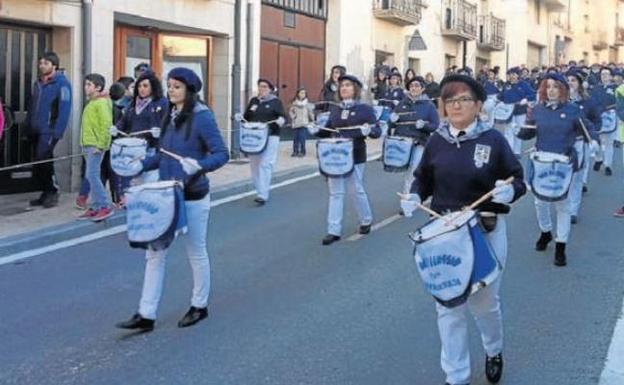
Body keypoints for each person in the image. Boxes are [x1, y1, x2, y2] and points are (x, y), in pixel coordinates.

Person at [400, 74, 526, 385]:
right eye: (449, 100)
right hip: (445, 233)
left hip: (485, 230)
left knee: (485, 304)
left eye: (463, 99)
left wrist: (509, 191)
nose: (456, 105)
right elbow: (422, 178)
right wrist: (415, 193)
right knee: (448, 307)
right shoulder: (437, 140)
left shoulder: (493, 140)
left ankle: (493, 350)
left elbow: (517, 178)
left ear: (478, 105)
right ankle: (456, 377)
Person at [116, 67, 229, 331]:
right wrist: (141, 164)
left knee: (196, 251)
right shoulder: (168, 112)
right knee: (154, 253)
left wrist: (198, 165)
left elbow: (221, 153)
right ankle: (146, 313)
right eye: (169, 85)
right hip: (166, 193)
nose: (171, 90)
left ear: (189, 90)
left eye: (177, 86)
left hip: (193, 194)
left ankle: (199, 305)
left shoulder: (203, 117)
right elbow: (163, 154)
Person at [522, 73, 596, 266]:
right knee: (540, 202)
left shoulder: (573, 110)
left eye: (555, 87)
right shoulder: (538, 109)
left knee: (562, 205)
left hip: (563, 163)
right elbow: (526, 133)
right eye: (548, 87)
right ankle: (546, 232)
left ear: (563, 89)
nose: (551, 90)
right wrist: (526, 121)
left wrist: (594, 142)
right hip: (541, 163)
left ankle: (561, 245)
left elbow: (588, 129)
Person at [308, 74, 378, 245]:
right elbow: (328, 130)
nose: (344, 88)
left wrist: (368, 131)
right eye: (342, 86)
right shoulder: (336, 110)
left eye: (348, 85)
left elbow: (377, 132)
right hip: (336, 155)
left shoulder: (365, 110)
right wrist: (315, 130)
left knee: (356, 190)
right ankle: (333, 230)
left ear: (355, 89)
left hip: (355, 155)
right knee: (336, 193)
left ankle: (366, 219)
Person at [25, 51, 73, 208]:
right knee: (39, 164)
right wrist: (28, 125)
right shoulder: (37, 83)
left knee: (44, 161)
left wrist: (57, 132)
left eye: (45, 63)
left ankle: (52, 192)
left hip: (49, 131)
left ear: (54, 65)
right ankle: (45, 192)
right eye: (40, 63)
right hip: (35, 130)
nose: (42, 66)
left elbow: (64, 110)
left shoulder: (62, 84)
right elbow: (31, 106)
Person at [110, 71, 169, 192]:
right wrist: (116, 128)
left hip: (151, 148)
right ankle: (127, 201)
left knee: (147, 181)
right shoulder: (133, 103)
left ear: (153, 86)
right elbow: (124, 120)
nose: (142, 89)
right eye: (139, 86)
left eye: (145, 86)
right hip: (133, 148)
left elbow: (169, 124)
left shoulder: (162, 103)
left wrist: (160, 131)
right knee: (129, 178)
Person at [390, 75, 439, 196]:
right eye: (411, 86)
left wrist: (424, 126)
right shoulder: (402, 104)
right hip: (402, 143)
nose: (413, 88)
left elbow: (435, 125)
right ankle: (418, 190)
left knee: (413, 170)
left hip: (419, 142)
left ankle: (407, 199)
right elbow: (391, 125)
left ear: (422, 89)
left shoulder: (429, 106)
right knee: (408, 170)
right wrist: (392, 120)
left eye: (417, 86)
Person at [242, 79, 287, 205]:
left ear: (270, 89)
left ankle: (263, 194)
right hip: (254, 136)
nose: (261, 89)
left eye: (265, 87)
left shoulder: (275, 102)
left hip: (271, 135)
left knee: (266, 164)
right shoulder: (254, 101)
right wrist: (240, 118)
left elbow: (283, 116)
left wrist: (281, 120)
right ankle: (260, 190)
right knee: (254, 165)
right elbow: (246, 116)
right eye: (260, 86)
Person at [76, 74, 114, 221]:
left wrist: (102, 145)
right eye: (85, 84)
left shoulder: (101, 103)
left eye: (89, 85)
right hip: (88, 143)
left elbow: (106, 125)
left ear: (98, 87)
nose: (86, 87)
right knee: (90, 175)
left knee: (92, 175)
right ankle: (96, 206)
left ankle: (104, 205)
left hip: (95, 145)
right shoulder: (92, 103)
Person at [567, 71, 601, 223]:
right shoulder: (560, 101)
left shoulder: (589, 101)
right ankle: (564, 205)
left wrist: (593, 138)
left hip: (581, 142)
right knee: (564, 177)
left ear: (579, 83)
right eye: (567, 80)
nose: (570, 83)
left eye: (573, 80)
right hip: (563, 144)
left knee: (577, 177)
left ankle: (572, 210)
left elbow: (596, 121)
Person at [497, 67, 534, 157]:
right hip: (508, 111)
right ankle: (509, 151)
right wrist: (498, 100)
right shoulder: (506, 85)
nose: (512, 76)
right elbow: (501, 96)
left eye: (514, 74)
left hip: (520, 110)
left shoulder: (524, 84)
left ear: (518, 75)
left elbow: (533, 94)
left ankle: (516, 152)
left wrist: (526, 99)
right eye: (510, 74)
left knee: (518, 130)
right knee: (508, 131)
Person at [591, 67, 618, 176]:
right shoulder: (596, 88)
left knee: (608, 142)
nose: (604, 76)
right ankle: (598, 159)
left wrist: (609, 108)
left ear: (611, 76)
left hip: (610, 117)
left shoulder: (617, 88)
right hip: (597, 117)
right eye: (602, 74)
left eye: (607, 74)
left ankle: (608, 165)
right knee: (596, 142)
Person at [289, 88, 314, 157]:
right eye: (301, 93)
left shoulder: (307, 104)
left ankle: (302, 152)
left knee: (302, 138)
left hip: (304, 123)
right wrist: (293, 116)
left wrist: (313, 119)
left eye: (304, 93)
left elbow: (310, 112)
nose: (303, 94)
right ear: (298, 94)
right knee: (295, 138)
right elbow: (291, 111)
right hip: (296, 123)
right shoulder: (294, 103)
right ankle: (295, 151)